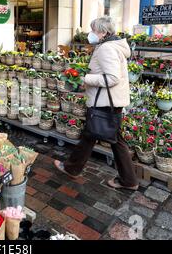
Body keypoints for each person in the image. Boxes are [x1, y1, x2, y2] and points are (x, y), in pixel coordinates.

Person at [54, 16, 139, 190]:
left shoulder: (107, 48)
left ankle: (128, 180)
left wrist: (85, 78)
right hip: (110, 100)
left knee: (105, 137)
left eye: (94, 30)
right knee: (95, 135)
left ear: (103, 32)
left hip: (106, 101)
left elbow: (112, 78)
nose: (90, 33)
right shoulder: (110, 45)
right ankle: (73, 168)